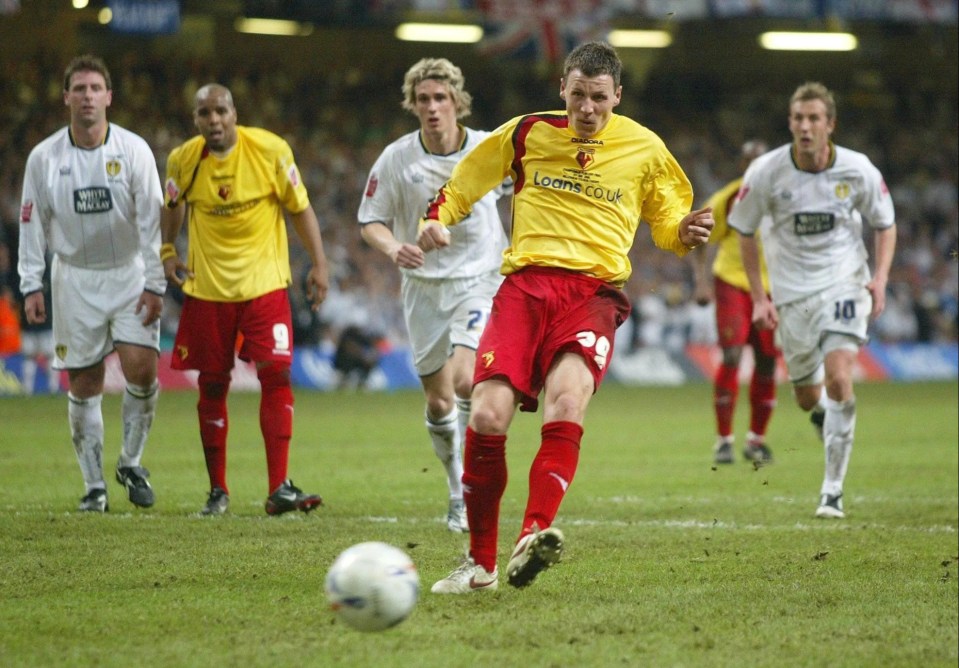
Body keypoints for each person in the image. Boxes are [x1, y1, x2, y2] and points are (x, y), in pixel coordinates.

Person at [419, 41, 714, 593]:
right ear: (562, 88)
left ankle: (533, 535)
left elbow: (668, 222)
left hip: (593, 295)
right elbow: (464, 183)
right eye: (577, 94)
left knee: (568, 400)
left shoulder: (645, 149)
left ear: (617, 96)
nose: (586, 108)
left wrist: (685, 232)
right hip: (525, 290)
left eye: (598, 98)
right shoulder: (527, 132)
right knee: (486, 415)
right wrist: (435, 219)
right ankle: (479, 565)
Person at [160, 83, 330, 516]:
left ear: (234, 113)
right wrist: (167, 248)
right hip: (208, 289)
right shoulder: (183, 159)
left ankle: (279, 488)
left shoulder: (270, 151)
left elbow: (299, 208)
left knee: (277, 373)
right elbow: (172, 203)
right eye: (204, 113)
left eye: (220, 111)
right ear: (196, 119)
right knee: (212, 384)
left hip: (265, 285)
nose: (213, 120)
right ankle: (218, 491)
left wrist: (319, 264)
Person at [730, 82, 896, 519]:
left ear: (830, 124)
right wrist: (760, 297)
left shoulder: (858, 170)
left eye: (814, 119)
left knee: (839, 376)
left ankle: (832, 491)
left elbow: (885, 222)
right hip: (791, 296)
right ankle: (825, 415)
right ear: (790, 123)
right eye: (798, 119)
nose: (805, 127)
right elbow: (743, 231)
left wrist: (879, 279)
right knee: (807, 397)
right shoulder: (766, 172)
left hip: (844, 284)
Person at [357, 58, 510, 533]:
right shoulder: (397, 158)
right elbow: (370, 222)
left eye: (440, 98)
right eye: (423, 99)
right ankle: (454, 487)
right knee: (439, 403)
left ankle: (470, 492)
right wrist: (395, 247)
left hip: (481, 280)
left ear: (457, 101)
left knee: (466, 382)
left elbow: (522, 190)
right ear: (413, 105)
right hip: (423, 289)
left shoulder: (487, 149)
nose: (432, 108)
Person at [17, 54, 164, 512]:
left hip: (128, 273)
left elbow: (154, 221)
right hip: (73, 278)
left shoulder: (134, 150)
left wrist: (155, 283)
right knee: (84, 381)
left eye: (95, 88)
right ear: (66, 98)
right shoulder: (44, 158)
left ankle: (131, 462)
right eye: (78, 89)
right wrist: (31, 283)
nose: (87, 96)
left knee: (142, 368)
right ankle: (94, 486)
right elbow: (30, 221)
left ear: (109, 97)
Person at [691, 140, 779, 466]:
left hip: (774, 289)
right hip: (733, 284)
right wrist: (701, 281)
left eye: (762, 160)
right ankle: (724, 440)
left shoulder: (786, 196)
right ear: (743, 165)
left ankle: (756, 440)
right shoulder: (729, 198)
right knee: (731, 355)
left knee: (768, 360)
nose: (756, 167)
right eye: (750, 161)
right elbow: (699, 230)